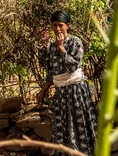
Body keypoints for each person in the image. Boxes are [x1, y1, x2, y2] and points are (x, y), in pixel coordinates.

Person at [36, 11, 97, 156]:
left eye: (61, 25)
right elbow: (52, 73)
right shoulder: (51, 47)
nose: (57, 29)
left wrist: (62, 48)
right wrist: (42, 92)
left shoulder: (75, 42)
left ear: (67, 26)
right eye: (54, 25)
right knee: (62, 128)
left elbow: (72, 67)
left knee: (78, 127)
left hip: (76, 92)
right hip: (61, 94)